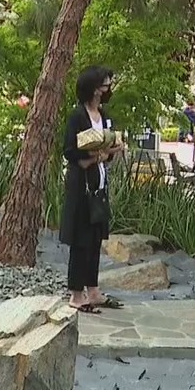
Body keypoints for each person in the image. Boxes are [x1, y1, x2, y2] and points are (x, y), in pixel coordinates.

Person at [60, 65, 126, 314]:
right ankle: (76, 294)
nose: (107, 89)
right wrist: (91, 157)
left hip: (99, 182)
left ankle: (93, 289)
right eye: (104, 84)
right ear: (93, 88)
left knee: (95, 238)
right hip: (82, 184)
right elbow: (69, 150)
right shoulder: (77, 116)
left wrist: (111, 151)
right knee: (81, 240)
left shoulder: (105, 115)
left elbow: (106, 151)